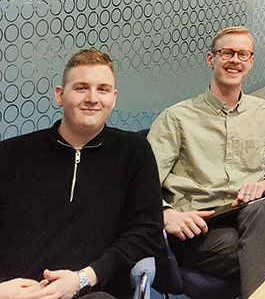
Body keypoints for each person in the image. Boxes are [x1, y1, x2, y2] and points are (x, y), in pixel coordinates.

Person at [146, 26, 265, 298]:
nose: (235, 60)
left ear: (251, 61)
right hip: (197, 227)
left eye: (243, 54)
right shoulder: (177, 118)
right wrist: (164, 213)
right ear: (211, 59)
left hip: (251, 215)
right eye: (227, 52)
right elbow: (142, 180)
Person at [0, 50, 161, 299]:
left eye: (103, 89)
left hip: (91, 291)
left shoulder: (134, 152)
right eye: (81, 88)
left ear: (114, 98)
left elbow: (146, 232)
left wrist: (83, 278)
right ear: (60, 95)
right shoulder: (10, 153)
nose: (92, 98)